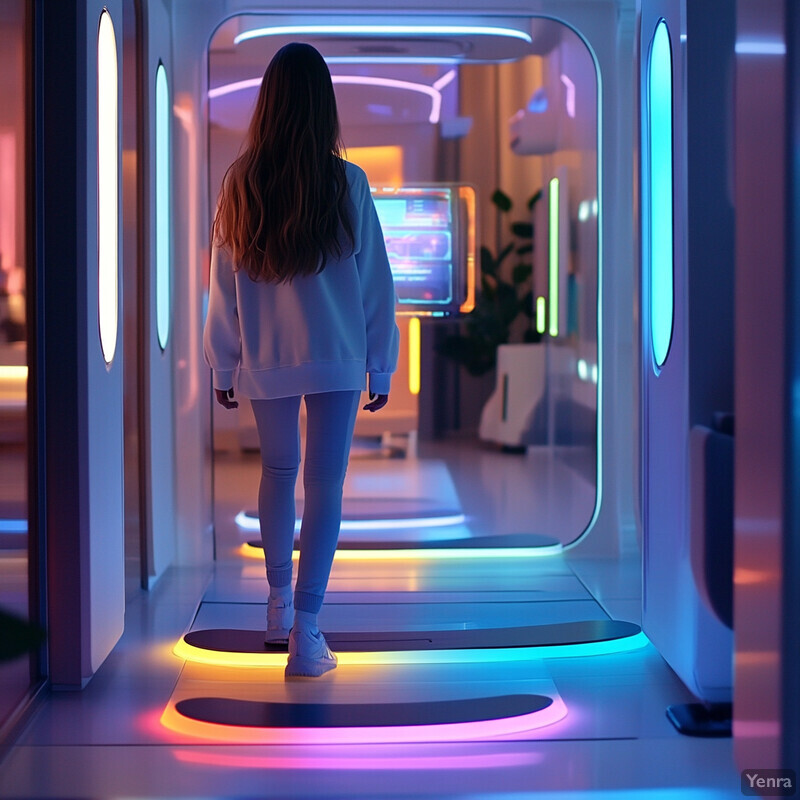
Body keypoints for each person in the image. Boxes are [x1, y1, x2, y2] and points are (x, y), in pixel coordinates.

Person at [203, 42, 399, 678]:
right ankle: (308, 634)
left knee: (278, 473)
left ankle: (277, 607)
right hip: (338, 356)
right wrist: (381, 362)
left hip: (268, 359)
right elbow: (375, 282)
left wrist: (223, 363)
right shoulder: (347, 181)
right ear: (324, 106)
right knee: (325, 485)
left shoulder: (241, 182)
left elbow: (223, 281)